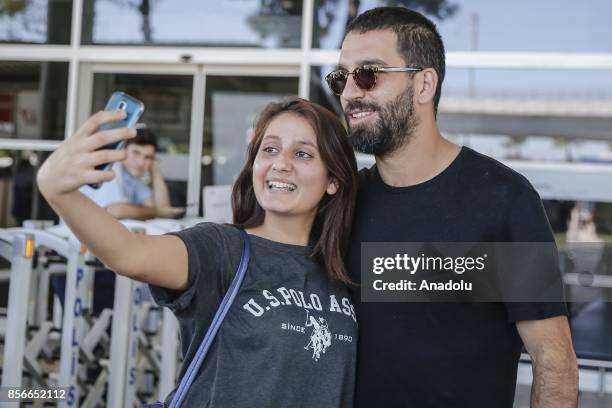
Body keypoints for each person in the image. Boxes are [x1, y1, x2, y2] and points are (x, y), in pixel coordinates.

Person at [325, 7, 578, 408]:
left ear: (424, 84)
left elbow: (554, 359)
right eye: (342, 77)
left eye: (368, 74)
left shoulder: (504, 199)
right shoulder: (345, 201)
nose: (350, 93)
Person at [37, 97, 359, 407]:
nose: (280, 164)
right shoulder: (221, 249)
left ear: (333, 179)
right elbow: (129, 254)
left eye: (303, 154)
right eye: (270, 149)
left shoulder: (345, 266)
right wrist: (58, 190)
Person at [80, 126, 184, 220]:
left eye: (147, 157)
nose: (141, 162)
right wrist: (156, 212)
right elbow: (115, 211)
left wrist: (155, 170)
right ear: (123, 150)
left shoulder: (132, 178)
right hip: (75, 238)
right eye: (136, 153)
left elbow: (162, 207)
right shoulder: (111, 168)